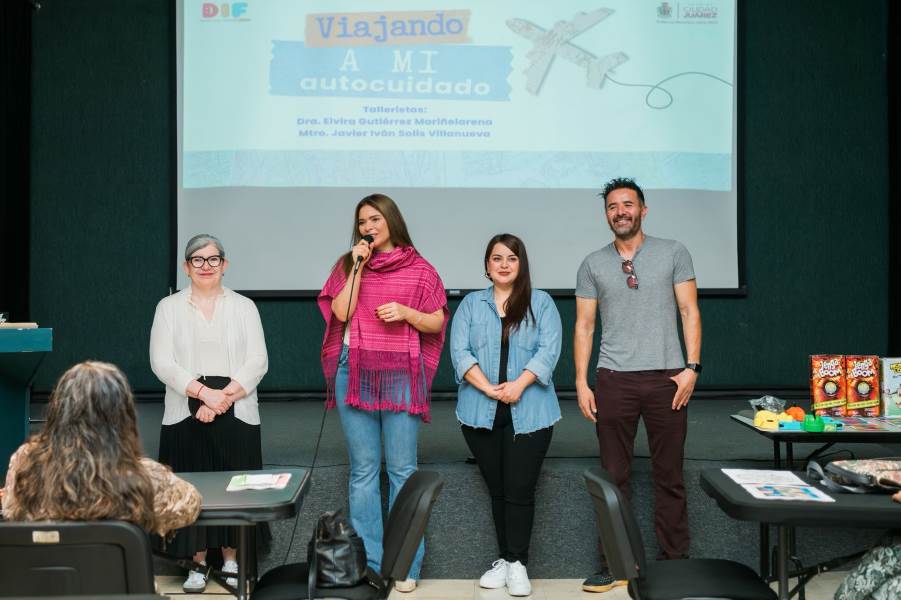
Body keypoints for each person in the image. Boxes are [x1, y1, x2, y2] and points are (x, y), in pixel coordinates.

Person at [574, 178, 702, 593]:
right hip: (614, 380)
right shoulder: (592, 263)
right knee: (614, 477)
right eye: (612, 206)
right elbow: (585, 326)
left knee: (670, 476)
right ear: (606, 214)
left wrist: (692, 368)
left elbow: (689, 311)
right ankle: (615, 563)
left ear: (643, 210)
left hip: (668, 379)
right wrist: (581, 380)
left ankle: (675, 562)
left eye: (628, 204)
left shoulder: (673, 252)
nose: (620, 211)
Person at [318, 193, 448, 593]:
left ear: (391, 220)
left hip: (400, 377)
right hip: (352, 371)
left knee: (402, 471)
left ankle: (406, 561)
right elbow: (341, 312)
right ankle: (371, 562)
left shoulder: (421, 269)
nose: (368, 227)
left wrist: (407, 314)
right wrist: (357, 266)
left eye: (375, 219)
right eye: (362, 221)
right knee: (363, 472)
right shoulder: (348, 264)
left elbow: (437, 322)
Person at [150, 233, 269, 593]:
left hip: (237, 410)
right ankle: (196, 562)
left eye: (213, 259)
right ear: (186, 267)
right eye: (197, 260)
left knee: (234, 488)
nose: (206, 266)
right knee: (192, 486)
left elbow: (258, 361)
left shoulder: (244, 306)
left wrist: (222, 400)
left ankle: (233, 560)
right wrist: (204, 394)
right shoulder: (167, 307)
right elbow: (161, 363)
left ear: (224, 264)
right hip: (184, 412)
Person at [450, 234, 562, 597]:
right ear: (486, 265)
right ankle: (505, 559)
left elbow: (549, 350)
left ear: (521, 264)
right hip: (479, 412)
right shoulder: (470, 304)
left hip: (530, 411)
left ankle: (518, 563)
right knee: (497, 490)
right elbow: (460, 352)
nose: (503, 264)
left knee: (519, 490)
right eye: (496, 258)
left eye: (511, 258)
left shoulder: (541, 303)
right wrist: (486, 387)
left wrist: (519, 384)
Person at [2, 361, 201, 538]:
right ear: (123, 416)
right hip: (112, 580)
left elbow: (10, 511)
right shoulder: (143, 477)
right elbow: (190, 505)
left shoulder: (26, 463)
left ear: (57, 410)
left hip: (43, 579)